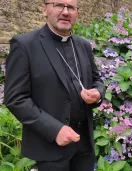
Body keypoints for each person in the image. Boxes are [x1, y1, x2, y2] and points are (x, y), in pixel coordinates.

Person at [4, 0, 105, 170]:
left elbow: (97, 80)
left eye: (71, 7)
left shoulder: (83, 46)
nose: (65, 12)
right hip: (50, 146)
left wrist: (98, 93)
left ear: (77, 13)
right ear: (44, 9)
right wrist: (54, 130)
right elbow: (16, 98)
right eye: (59, 5)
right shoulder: (25, 45)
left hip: (84, 144)